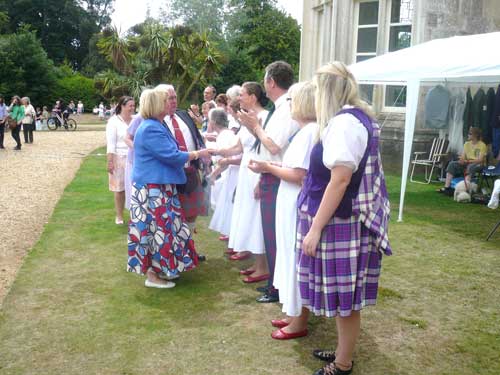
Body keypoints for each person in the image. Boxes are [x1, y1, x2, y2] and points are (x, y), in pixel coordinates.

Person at [296, 62, 391, 375]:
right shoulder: (355, 118)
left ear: (325, 92)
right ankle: (342, 352)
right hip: (342, 220)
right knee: (342, 297)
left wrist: (315, 228)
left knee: (345, 298)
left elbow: (340, 180)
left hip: (339, 223)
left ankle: (343, 363)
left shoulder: (344, 123)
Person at [248, 81, 318, 340]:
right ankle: (293, 311)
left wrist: (267, 167)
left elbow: (298, 174)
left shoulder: (310, 131)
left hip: (295, 201)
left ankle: (299, 320)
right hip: (288, 200)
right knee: (289, 256)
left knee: (293, 257)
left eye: (292, 101)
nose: (288, 106)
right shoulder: (305, 131)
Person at [127, 88, 210, 289]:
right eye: (165, 101)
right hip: (153, 189)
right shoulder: (151, 128)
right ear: (155, 105)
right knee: (155, 232)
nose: (169, 103)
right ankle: (153, 275)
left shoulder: (155, 125)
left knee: (162, 231)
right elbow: (172, 155)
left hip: (158, 186)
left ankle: (162, 269)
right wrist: (198, 154)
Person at [237, 61, 300, 303]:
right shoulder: (279, 109)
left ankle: (277, 288)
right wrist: (254, 129)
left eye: (265, 80)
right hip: (269, 174)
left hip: (277, 176)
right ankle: (273, 282)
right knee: (270, 234)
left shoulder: (285, 109)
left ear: (271, 82)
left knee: (275, 236)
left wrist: (255, 127)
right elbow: (268, 142)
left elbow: (274, 145)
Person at [216, 82, 269, 276]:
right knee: (247, 215)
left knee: (256, 217)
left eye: (243, 95)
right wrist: (217, 151)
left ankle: (263, 266)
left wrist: (260, 180)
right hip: (246, 170)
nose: (239, 98)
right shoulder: (247, 119)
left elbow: (265, 149)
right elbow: (239, 147)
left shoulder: (263, 117)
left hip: (257, 170)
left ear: (253, 97)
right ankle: (256, 262)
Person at [163, 85, 208, 242]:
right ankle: (178, 250)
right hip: (171, 175)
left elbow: (197, 137)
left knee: (192, 213)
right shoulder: (158, 121)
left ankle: (189, 247)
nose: (174, 101)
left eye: (175, 97)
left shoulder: (184, 115)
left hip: (191, 170)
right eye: (170, 98)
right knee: (174, 214)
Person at [208, 108, 240, 238]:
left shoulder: (223, 136)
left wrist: (213, 174)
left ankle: (233, 234)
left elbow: (225, 161)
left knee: (229, 204)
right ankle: (229, 232)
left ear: (214, 121)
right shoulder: (225, 135)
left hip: (232, 173)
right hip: (230, 172)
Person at [106, 96, 135, 225]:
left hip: (134, 157)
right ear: (122, 106)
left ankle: (134, 215)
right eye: (130, 106)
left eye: (134, 106)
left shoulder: (136, 120)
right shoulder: (113, 121)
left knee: (134, 187)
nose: (133, 108)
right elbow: (110, 144)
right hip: (119, 157)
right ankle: (119, 216)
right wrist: (110, 161)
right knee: (119, 189)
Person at [438, 127, 487, 196]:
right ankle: (447, 188)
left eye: (470, 134)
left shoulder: (482, 145)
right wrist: (461, 160)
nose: (468, 135)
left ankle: (465, 190)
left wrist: (468, 161)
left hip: (478, 164)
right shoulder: (466, 144)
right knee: (452, 164)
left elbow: (480, 160)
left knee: (470, 167)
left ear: (476, 135)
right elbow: (463, 156)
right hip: (467, 162)